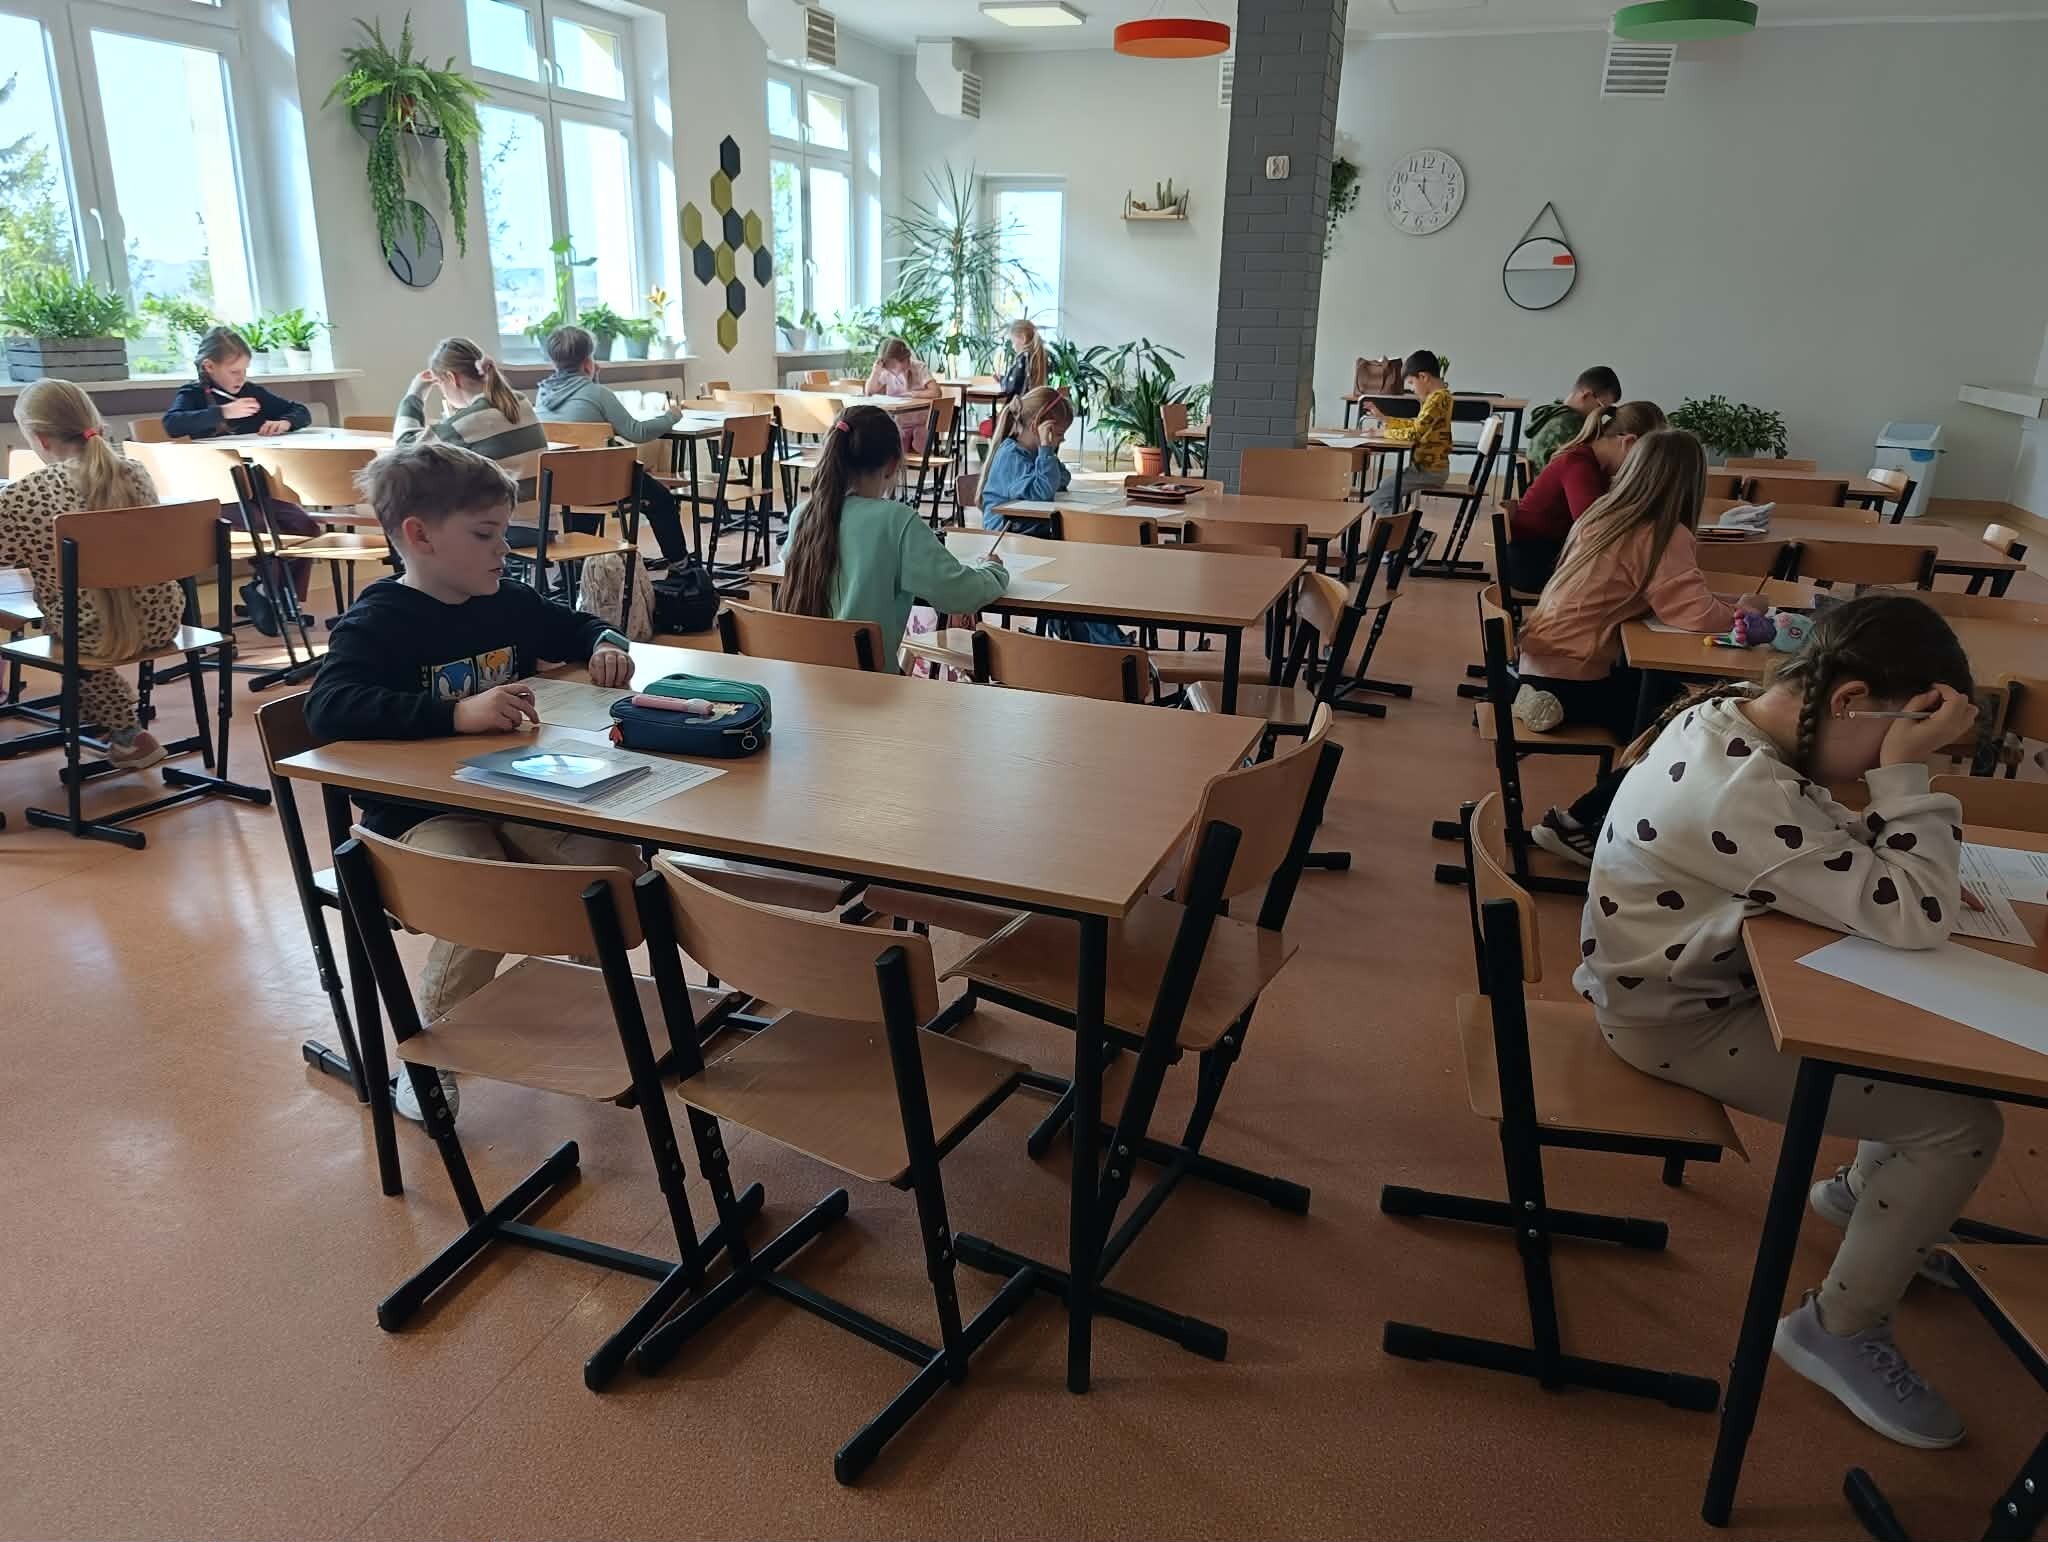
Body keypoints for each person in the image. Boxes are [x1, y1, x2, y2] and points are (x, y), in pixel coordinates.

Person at [1580, 593, 1995, 1450]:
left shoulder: (1737, 718)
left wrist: (1890, 769)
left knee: (1915, 1034)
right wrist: (1905, 778)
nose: (1888, 762)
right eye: (1900, 736)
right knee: (1961, 1126)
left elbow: (1839, 847)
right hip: (1673, 1022)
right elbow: (1915, 914)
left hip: (1690, 982)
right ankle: (1836, 1330)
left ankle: (1863, 1198)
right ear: (1850, 701)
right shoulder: (1742, 792)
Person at [306, 441, 638, 1123]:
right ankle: (428, 1056)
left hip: (515, 793)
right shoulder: (379, 620)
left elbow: (575, 624)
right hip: (414, 818)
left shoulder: (505, 600)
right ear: (419, 536)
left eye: (503, 533)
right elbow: (328, 708)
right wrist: (455, 714)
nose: (503, 550)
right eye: (485, 535)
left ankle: (590, 997)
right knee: (484, 894)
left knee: (608, 865)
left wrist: (606, 642)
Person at [1511, 428, 1764, 863]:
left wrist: (1724, 603)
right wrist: (1745, 608)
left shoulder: (1602, 514)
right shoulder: (1661, 533)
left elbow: (1673, 597)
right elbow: (1693, 614)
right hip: (1577, 672)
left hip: (1543, 658)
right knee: (1683, 727)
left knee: (1663, 701)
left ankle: (1619, 800)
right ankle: (1577, 820)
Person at [1, 379, 185, 771]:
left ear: (39, 439)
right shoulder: (135, 472)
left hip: (89, 634)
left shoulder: (21, 495)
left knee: (64, 624)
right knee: (77, 611)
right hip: (162, 620)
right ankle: (107, 723)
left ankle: (126, 732)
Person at [778, 405, 1008, 671]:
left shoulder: (803, 515)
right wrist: (993, 570)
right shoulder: (895, 521)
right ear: (891, 465)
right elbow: (959, 593)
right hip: (869, 687)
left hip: (803, 683)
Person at [162, 326, 321, 626]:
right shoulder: (193, 395)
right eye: (234, 371)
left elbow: (300, 410)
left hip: (256, 489)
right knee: (262, 529)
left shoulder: (251, 392)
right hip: (217, 494)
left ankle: (271, 593)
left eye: (245, 370)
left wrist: (285, 423)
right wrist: (223, 412)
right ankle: (269, 596)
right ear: (209, 367)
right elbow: (172, 424)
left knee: (304, 526)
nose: (241, 378)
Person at [977, 388, 1130, 648]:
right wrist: (1046, 449)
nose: (1060, 440)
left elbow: (1063, 479)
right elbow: (1042, 492)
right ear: (1038, 426)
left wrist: (1047, 454)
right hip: (1008, 541)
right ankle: (1112, 647)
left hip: (1031, 535)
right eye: (1057, 434)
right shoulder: (1011, 455)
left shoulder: (1033, 453)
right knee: (1076, 579)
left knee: (1081, 580)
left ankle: (1094, 646)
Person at [532, 323, 689, 564]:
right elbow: (637, 432)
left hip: (560, 486)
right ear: (588, 362)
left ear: (553, 363)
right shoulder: (598, 394)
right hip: (602, 484)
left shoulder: (542, 395)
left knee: (586, 485)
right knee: (662, 500)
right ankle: (680, 564)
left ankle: (576, 567)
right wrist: (672, 416)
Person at [1503, 400, 1665, 593]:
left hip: (1547, 553)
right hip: (1534, 564)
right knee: (1638, 586)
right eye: (1647, 459)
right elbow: (1593, 529)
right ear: (1629, 442)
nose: (1644, 468)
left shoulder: (1594, 463)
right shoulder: (1579, 466)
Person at [394, 336, 547, 507]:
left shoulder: (462, 425)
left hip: (507, 521)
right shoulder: (521, 402)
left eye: (439, 384)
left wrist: (415, 392)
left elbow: (403, 448)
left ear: (451, 378)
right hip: (547, 519)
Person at [1362, 349, 1453, 516]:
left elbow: (1414, 433)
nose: (1412, 389)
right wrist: (1386, 419)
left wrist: (1384, 433)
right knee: (1387, 486)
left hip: (1429, 472)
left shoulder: (1437, 399)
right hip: (1428, 469)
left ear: (1423, 377)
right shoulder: (1439, 397)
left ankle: (1409, 530)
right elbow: (1417, 425)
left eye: (1411, 383)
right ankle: (1403, 528)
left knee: (1378, 499)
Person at [1525, 364, 1622, 473]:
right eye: (1600, 406)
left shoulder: (1554, 413)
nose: (1600, 414)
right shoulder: (1571, 423)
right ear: (1586, 395)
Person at [864, 337, 941, 453]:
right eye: (889, 366)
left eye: (894, 365)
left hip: (921, 422)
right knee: (887, 440)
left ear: (905, 359)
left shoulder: (919, 368)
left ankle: (918, 449)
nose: (892, 370)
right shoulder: (886, 372)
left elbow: (936, 392)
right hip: (899, 423)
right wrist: (875, 372)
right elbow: (869, 392)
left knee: (920, 437)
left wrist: (912, 394)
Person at [994, 319, 1048, 402]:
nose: (1012, 346)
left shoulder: (1023, 358)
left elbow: (1011, 387)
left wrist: (1002, 380)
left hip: (1022, 406)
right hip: (1033, 405)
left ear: (1023, 338)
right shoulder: (1036, 356)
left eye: (1013, 342)